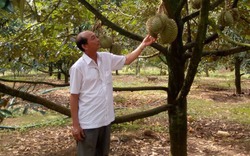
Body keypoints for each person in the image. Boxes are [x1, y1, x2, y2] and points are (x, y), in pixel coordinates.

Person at [69, 30, 156, 156]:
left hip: (105, 119)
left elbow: (127, 60)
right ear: (85, 46)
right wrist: (75, 126)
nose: (98, 39)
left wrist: (142, 45)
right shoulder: (78, 67)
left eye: (96, 36)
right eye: (93, 38)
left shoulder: (105, 57)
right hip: (89, 122)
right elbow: (73, 96)